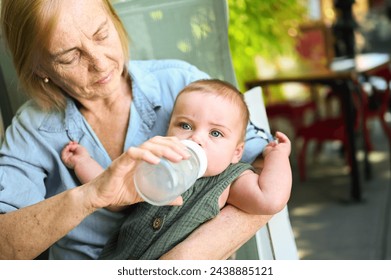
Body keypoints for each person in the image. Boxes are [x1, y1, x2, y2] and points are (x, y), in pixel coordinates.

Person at [0, 0, 276, 260]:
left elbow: (266, 168)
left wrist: (182, 261)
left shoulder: (181, 84)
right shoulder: (32, 130)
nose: (100, 63)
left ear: (115, 21)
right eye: (70, 56)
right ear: (38, 69)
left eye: (101, 34)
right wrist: (91, 195)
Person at [61, 79, 292, 260]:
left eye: (215, 133)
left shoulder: (230, 181)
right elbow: (113, 195)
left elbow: (270, 198)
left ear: (236, 153)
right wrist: (84, 163)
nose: (196, 138)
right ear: (168, 130)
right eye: (185, 125)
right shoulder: (155, 165)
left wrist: (278, 157)